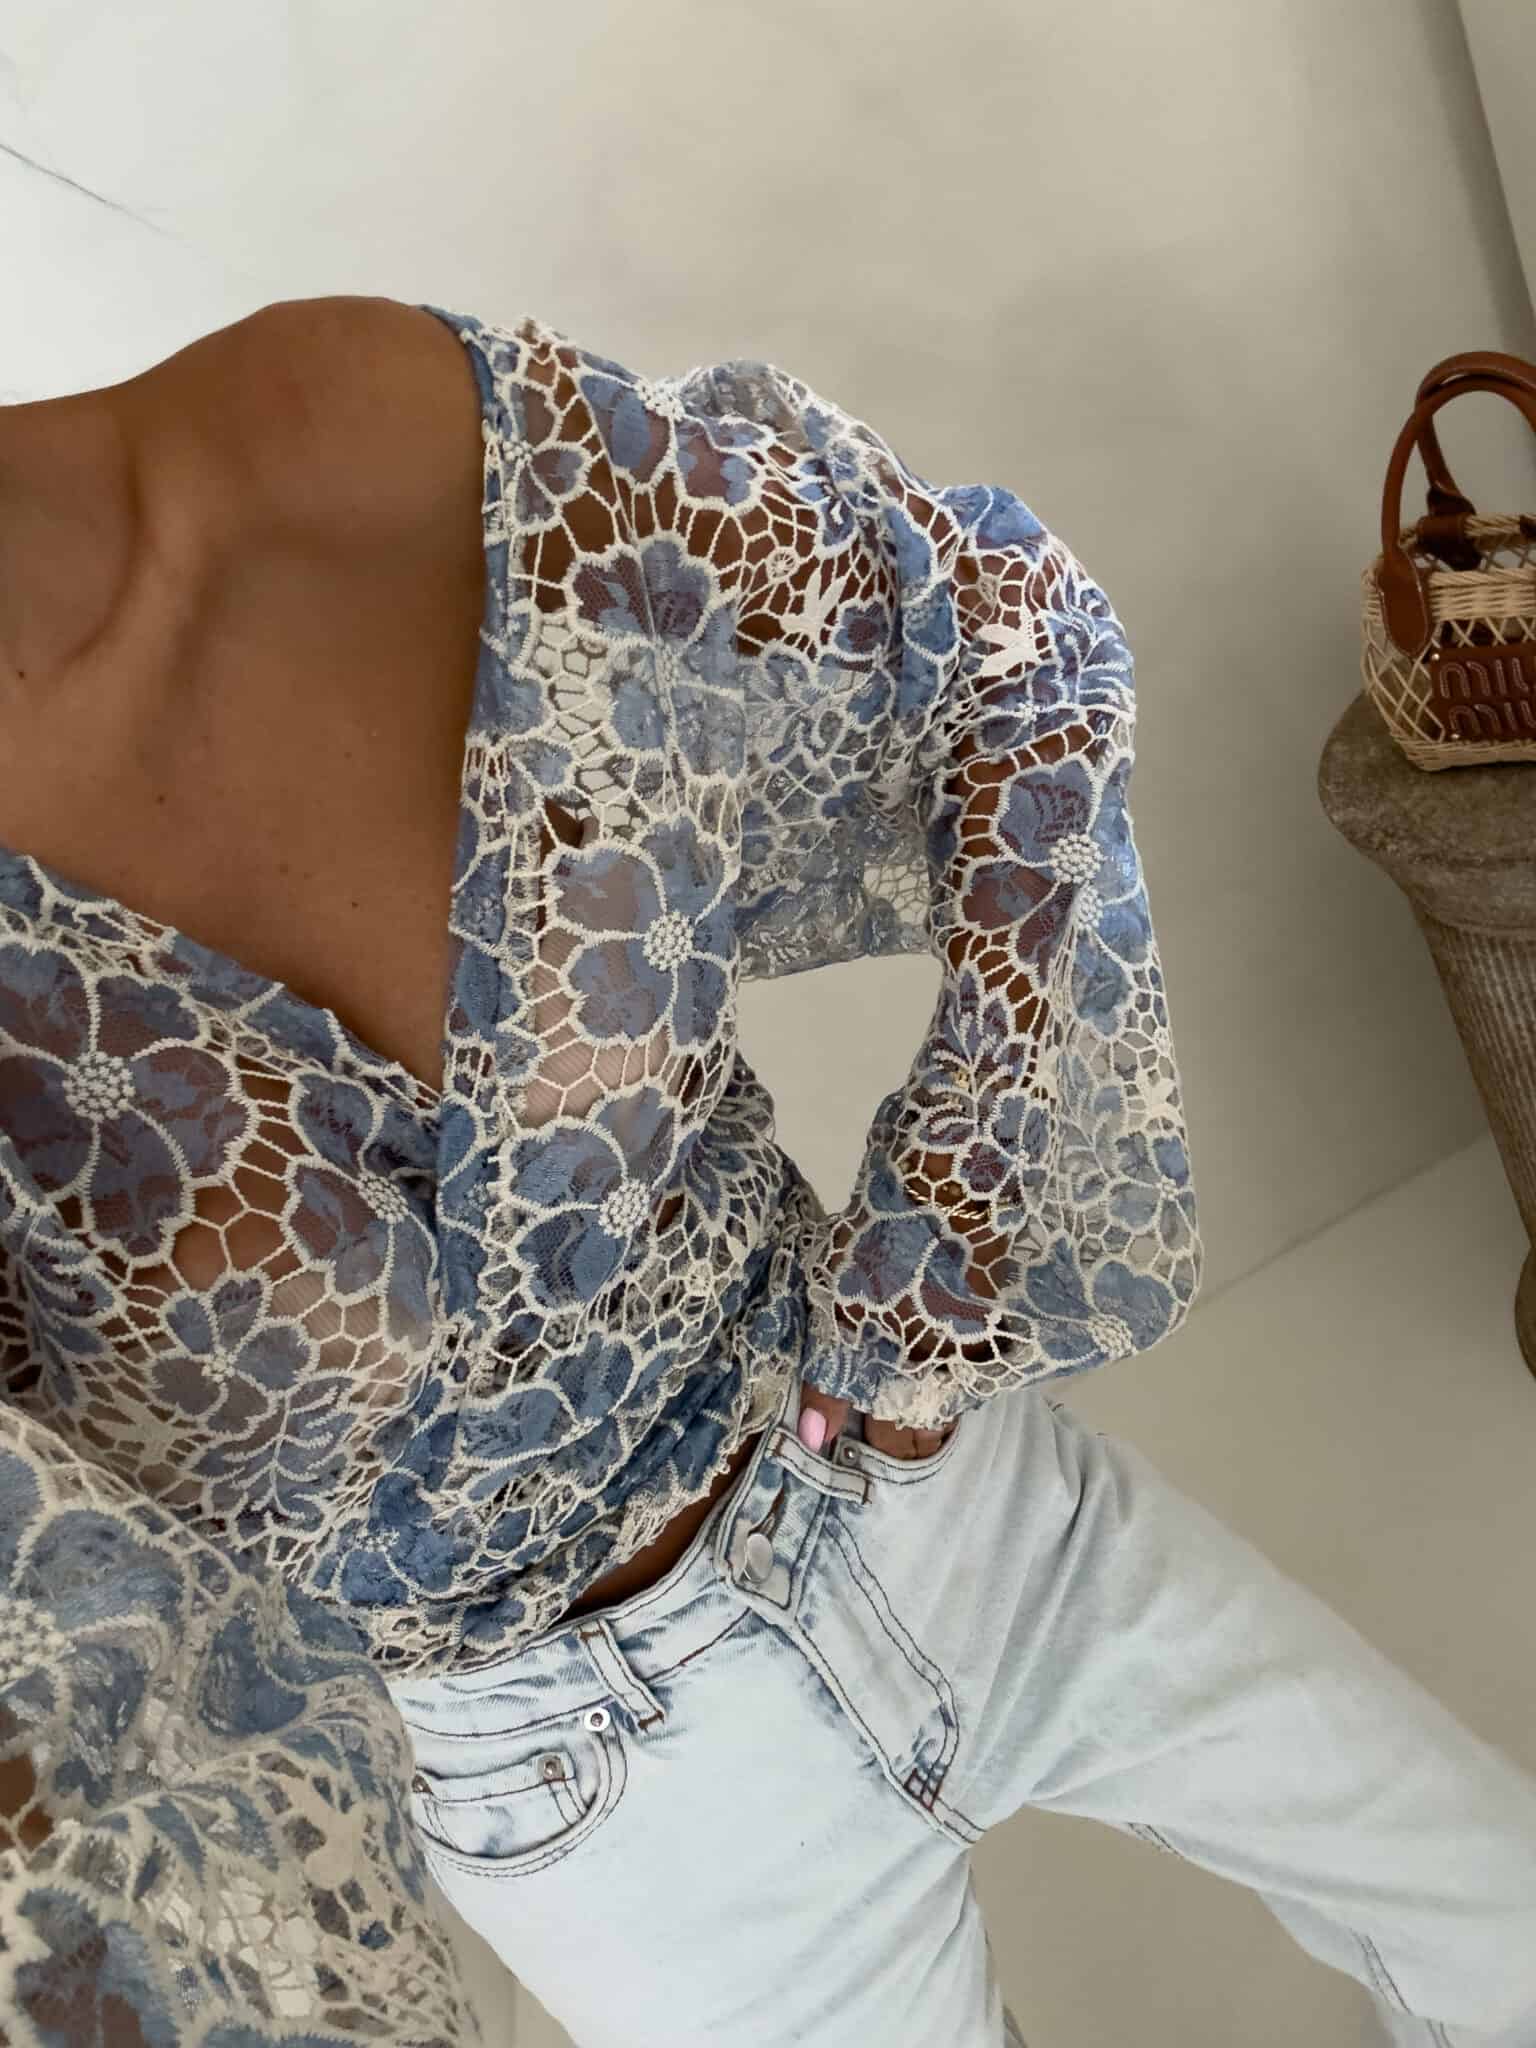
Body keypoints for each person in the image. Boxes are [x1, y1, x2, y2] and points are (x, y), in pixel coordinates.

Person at [0, 290, 1532, 2048]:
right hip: (601, 1813)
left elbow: (1008, 642)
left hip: (945, 1504)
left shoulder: (358, 432)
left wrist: (944, 1246)